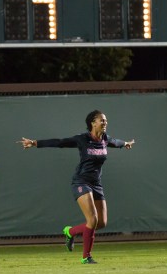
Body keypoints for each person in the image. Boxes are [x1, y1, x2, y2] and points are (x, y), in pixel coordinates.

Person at [19, 110, 134, 264]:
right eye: (102, 120)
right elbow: (60, 142)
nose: (105, 123)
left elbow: (116, 142)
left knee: (101, 223)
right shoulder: (82, 139)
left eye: (106, 120)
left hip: (96, 184)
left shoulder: (105, 139)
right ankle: (86, 257)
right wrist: (35, 143)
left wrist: (125, 143)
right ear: (93, 123)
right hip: (81, 182)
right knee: (92, 220)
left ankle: (70, 232)